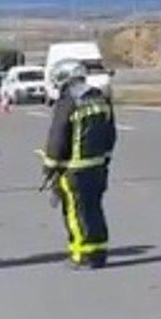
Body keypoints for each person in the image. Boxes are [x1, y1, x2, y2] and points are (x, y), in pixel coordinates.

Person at [41, 61, 118, 269]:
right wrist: (105, 159)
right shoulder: (101, 98)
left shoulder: (67, 102)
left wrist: (50, 167)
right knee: (95, 210)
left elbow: (58, 138)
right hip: (98, 167)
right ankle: (99, 252)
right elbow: (110, 133)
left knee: (76, 213)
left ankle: (83, 255)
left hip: (74, 169)